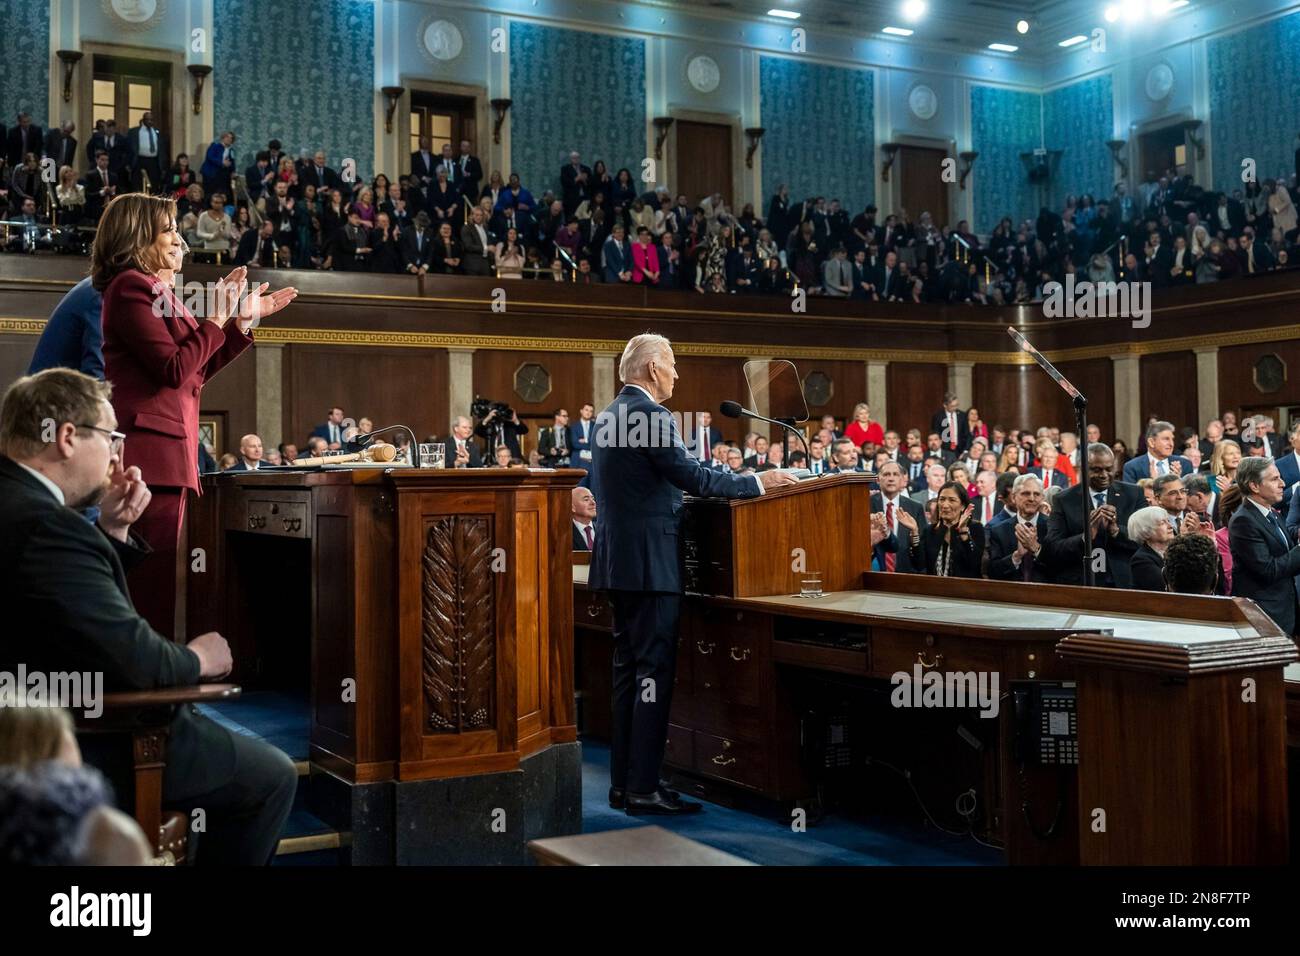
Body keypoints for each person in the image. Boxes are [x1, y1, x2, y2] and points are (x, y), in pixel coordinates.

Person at [0, 368, 297, 864]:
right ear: (68, 438)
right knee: (271, 777)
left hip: (42, 706)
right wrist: (198, 658)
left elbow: (68, 610)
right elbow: (134, 658)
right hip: (87, 732)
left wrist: (113, 530)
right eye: (112, 437)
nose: (119, 453)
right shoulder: (47, 526)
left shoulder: (24, 505)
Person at [588, 334, 795, 815]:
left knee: (628, 675)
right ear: (654, 368)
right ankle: (644, 788)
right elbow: (694, 478)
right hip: (651, 566)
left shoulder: (607, 417)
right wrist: (759, 481)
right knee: (653, 676)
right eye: (674, 364)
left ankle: (625, 784)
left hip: (619, 563)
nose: (678, 374)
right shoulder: (650, 416)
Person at [98, 194, 297, 637]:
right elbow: (173, 369)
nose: (178, 239)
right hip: (149, 457)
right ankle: (148, 695)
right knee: (149, 589)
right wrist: (218, 316)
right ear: (137, 235)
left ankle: (157, 690)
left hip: (168, 456)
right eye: (168, 229)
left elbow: (196, 370)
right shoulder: (132, 287)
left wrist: (239, 324)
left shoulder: (158, 291)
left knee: (161, 586)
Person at [1042, 442, 1145, 587]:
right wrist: (1086, 537)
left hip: (1125, 580)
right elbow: (1052, 548)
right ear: (1082, 470)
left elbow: (1146, 539)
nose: (1104, 475)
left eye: (1108, 469)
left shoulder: (1133, 494)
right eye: (1096, 470)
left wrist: (1116, 531)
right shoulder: (1064, 500)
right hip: (1082, 581)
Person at [1229, 456, 1300, 635]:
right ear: (1254, 485)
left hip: (1286, 608)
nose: (1283, 483)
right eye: (1274, 479)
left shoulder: (1273, 514)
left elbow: (1288, 556)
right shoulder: (1243, 520)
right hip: (1264, 615)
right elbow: (1268, 570)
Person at [895, 480, 984, 578]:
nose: (945, 505)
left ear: (962, 506)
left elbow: (975, 564)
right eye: (942, 499)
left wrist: (963, 533)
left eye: (952, 500)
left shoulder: (975, 528)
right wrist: (915, 532)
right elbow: (919, 564)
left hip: (964, 590)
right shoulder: (930, 530)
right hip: (934, 589)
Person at [26, 277, 105, 379]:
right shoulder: (99, 293)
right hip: (50, 392)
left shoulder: (96, 286)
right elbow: (97, 376)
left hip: (56, 389)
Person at [988, 474, 1049, 582]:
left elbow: (1062, 568)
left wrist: (1036, 549)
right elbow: (992, 572)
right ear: (1014, 497)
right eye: (1026, 493)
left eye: (1036, 494)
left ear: (1042, 498)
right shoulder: (998, 530)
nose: (1031, 498)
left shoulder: (1053, 527)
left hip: (1048, 594)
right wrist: (1017, 556)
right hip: (1010, 594)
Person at [1122, 420, 1193, 483]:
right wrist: (1154, 484)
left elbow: (1191, 495)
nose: (1171, 444)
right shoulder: (1133, 467)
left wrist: (1178, 482)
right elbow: (1131, 497)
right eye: (1166, 439)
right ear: (1151, 442)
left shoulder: (1185, 464)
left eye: (1172, 439)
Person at [1127, 506, 1174, 591]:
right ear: (1146, 531)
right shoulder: (1141, 560)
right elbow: (1167, 587)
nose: (1170, 526)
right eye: (1162, 523)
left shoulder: (1173, 551)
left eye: (1168, 521)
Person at [572, 486, 597, 551]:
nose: (593, 503)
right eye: (586, 499)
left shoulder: (603, 530)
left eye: (593, 499)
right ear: (572, 507)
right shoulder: (565, 534)